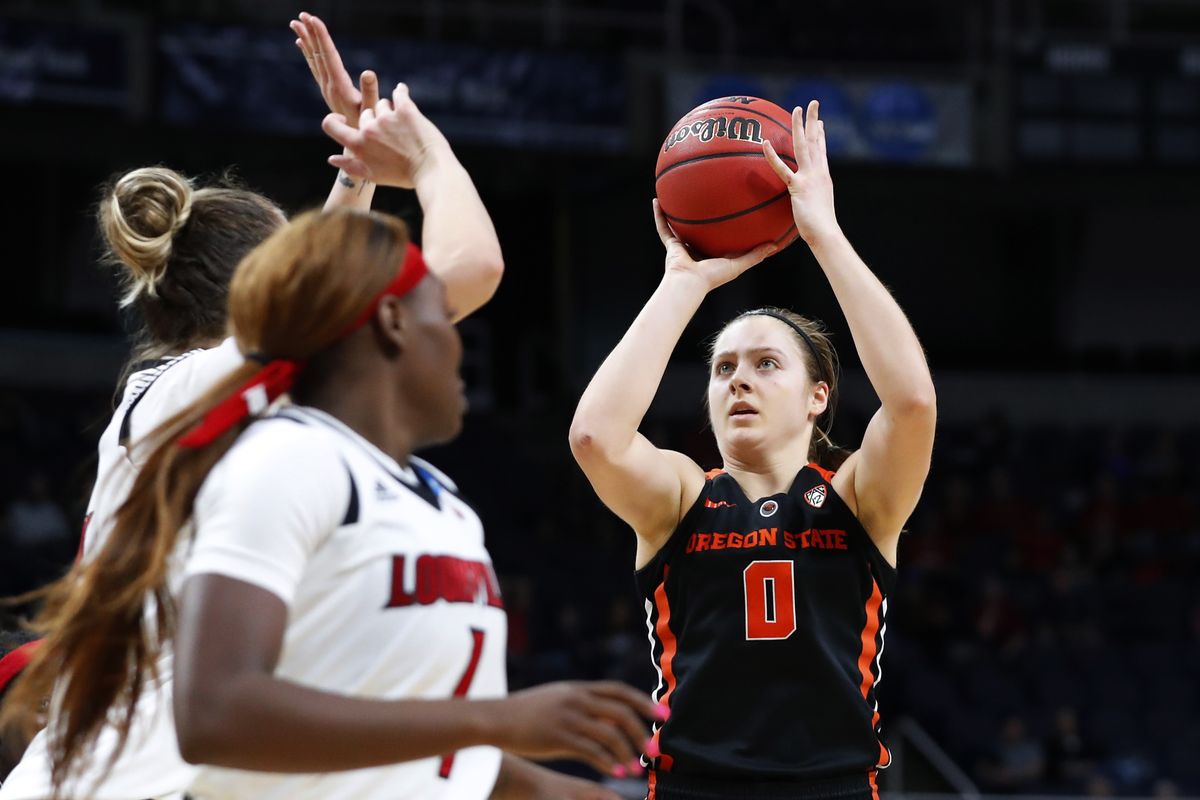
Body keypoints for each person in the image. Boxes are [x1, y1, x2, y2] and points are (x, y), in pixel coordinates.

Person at [0, 14, 507, 799]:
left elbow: (325, 297)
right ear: (266, 291)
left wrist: (359, 167)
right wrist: (427, 156)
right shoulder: (197, 388)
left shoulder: (211, 392)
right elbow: (466, 271)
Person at [6, 207, 661, 800]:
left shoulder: (426, 500)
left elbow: (389, 735)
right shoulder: (238, 426)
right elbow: (469, 269)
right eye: (439, 312)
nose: (463, 337)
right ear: (384, 320)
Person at [569, 100, 937, 800]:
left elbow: (913, 403)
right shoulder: (680, 497)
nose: (739, 378)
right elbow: (594, 437)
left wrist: (823, 235)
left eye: (767, 363)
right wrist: (682, 286)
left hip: (831, 787)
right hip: (693, 788)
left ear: (817, 396)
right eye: (723, 367)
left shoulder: (859, 497)